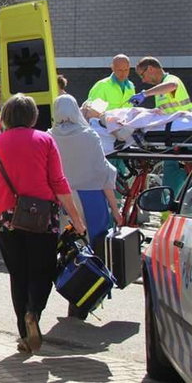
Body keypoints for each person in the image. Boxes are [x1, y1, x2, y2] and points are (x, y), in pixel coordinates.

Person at [0, 94, 87, 354]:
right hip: (42, 217)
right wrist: (76, 218)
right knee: (42, 271)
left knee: (18, 274)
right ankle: (34, 313)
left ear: (5, 117)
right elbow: (59, 183)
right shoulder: (45, 141)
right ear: (32, 117)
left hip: (5, 218)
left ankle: (23, 334)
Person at [48, 94, 124, 319]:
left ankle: (71, 292)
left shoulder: (49, 136)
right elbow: (103, 176)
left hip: (60, 201)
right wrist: (115, 209)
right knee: (91, 252)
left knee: (67, 253)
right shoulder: (90, 136)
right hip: (90, 201)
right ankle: (86, 299)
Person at [130, 57, 192, 195]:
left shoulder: (171, 80)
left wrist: (145, 94)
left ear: (150, 69)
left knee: (176, 173)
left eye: (142, 74)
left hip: (185, 134)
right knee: (172, 172)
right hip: (174, 138)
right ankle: (169, 209)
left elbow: (172, 86)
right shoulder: (160, 91)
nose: (143, 80)